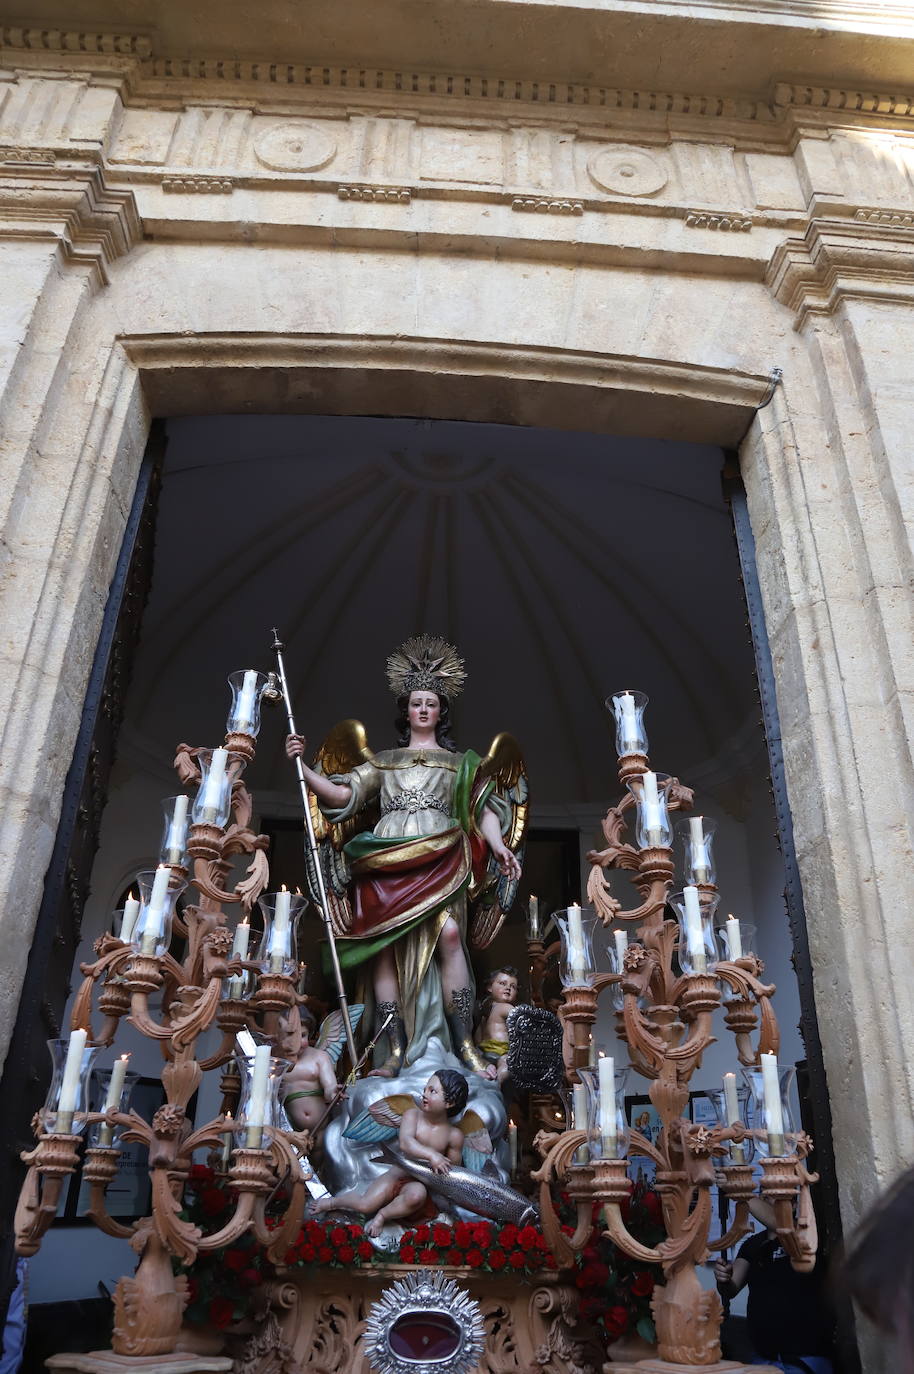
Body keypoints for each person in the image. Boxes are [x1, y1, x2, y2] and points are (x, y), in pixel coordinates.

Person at [286, 635, 524, 1078]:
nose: (423, 709)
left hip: (443, 857)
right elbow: (343, 795)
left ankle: (464, 1042)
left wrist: (496, 844)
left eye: (431, 703)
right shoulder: (385, 761)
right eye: (416, 702)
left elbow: (484, 810)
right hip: (385, 860)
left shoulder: (460, 764)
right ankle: (392, 1048)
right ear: (406, 709)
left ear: (441, 711)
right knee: (386, 952)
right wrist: (303, 769)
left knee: (450, 937)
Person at [314, 1070, 469, 1236]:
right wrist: (432, 1155)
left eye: (433, 1091)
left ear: (449, 1102)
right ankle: (332, 1202)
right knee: (366, 1204)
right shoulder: (413, 1116)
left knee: (417, 1195)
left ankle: (382, 1216)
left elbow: (453, 1171)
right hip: (398, 1174)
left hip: (422, 1183)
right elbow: (406, 1143)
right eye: (425, 1089)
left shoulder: (454, 1135)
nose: (424, 1094)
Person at [714, 1198, 834, 1373]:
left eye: (777, 1197)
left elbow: (780, 1222)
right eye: (765, 1196)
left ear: (793, 1205)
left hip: (806, 1358)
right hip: (763, 1358)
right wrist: (723, 1278)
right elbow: (730, 1289)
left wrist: (740, 1188)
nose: (768, 1200)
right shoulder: (753, 1244)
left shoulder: (805, 1235)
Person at [474, 966, 519, 1082]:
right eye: (503, 983)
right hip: (500, 1050)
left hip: (485, 1051)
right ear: (490, 987)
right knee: (506, 1066)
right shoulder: (506, 1007)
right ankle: (496, 1085)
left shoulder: (484, 1009)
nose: (508, 988)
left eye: (513, 986)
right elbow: (521, 1018)